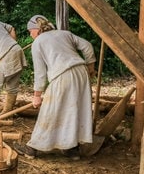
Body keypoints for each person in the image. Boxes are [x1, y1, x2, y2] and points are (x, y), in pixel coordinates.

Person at [13, 15, 96, 160]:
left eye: (30, 31)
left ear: (37, 30)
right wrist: (90, 68)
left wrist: (37, 96)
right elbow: (87, 46)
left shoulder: (38, 42)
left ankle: (32, 149)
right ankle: (71, 148)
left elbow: (40, 72)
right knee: (74, 109)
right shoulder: (64, 34)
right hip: (81, 72)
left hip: (62, 74)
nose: (30, 34)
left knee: (50, 110)